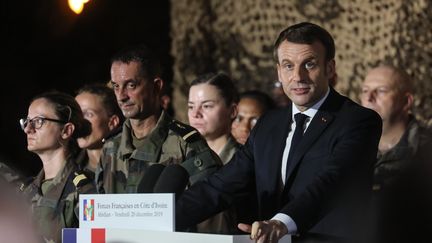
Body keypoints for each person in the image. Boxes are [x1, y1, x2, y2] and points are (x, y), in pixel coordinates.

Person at [175, 22, 382, 243]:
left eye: (309, 64)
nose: (298, 76)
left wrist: (282, 223)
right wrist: (160, 220)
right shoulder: (269, 124)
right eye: (288, 66)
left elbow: (332, 182)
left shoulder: (358, 121)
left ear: (330, 68)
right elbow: (221, 186)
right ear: (279, 72)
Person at [97, 44, 222, 194]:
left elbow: (210, 208)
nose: (122, 96)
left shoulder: (186, 146)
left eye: (131, 85)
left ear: (156, 87)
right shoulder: (110, 147)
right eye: (116, 86)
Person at [360, 64, 432, 242]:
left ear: (406, 102)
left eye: (381, 90)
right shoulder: (346, 147)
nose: (369, 98)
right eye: (365, 90)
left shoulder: (427, 151)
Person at [20, 91, 97, 243]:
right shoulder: (26, 189)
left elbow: (94, 238)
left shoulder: (85, 189)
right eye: (27, 121)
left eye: (38, 121)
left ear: (66, 130)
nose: (28, 129)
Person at [188, 72, 242, 234]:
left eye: (207, 106)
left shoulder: (242, 161)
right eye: (191, 106)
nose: (195, 113)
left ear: (232, 111)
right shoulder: (180, 158)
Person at [75, 83, 123, 179]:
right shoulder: (71, 173)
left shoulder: (129, 166)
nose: (79, 123)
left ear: (112, 122)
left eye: (88, 114)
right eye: (76, 115)